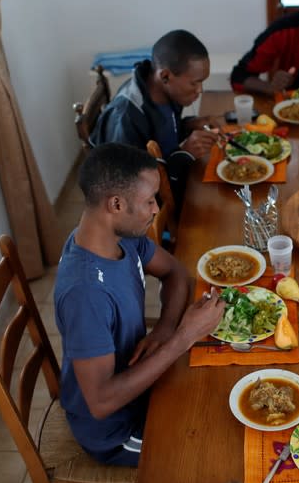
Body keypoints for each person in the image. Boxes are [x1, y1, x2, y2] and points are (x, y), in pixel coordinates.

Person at [53, 143, 225, 466]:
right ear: (116, 204)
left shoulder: (118, 236)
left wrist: (163, 330)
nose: (156, 209)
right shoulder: (85, 293)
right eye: (149, 201)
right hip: (117, 431)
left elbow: (176, 273)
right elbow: (101, 402)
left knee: (222, 394)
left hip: (145, 384)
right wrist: (182, 338)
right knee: (212, 449)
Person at [90, 30, 220, 209]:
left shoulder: (164, 91)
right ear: (165, 76)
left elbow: (161, 135)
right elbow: (131, 193)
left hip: (171, 180)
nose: (200, 90)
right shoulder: (127, 117)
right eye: (195, 83)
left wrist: (188, 125)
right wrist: (183, 154)